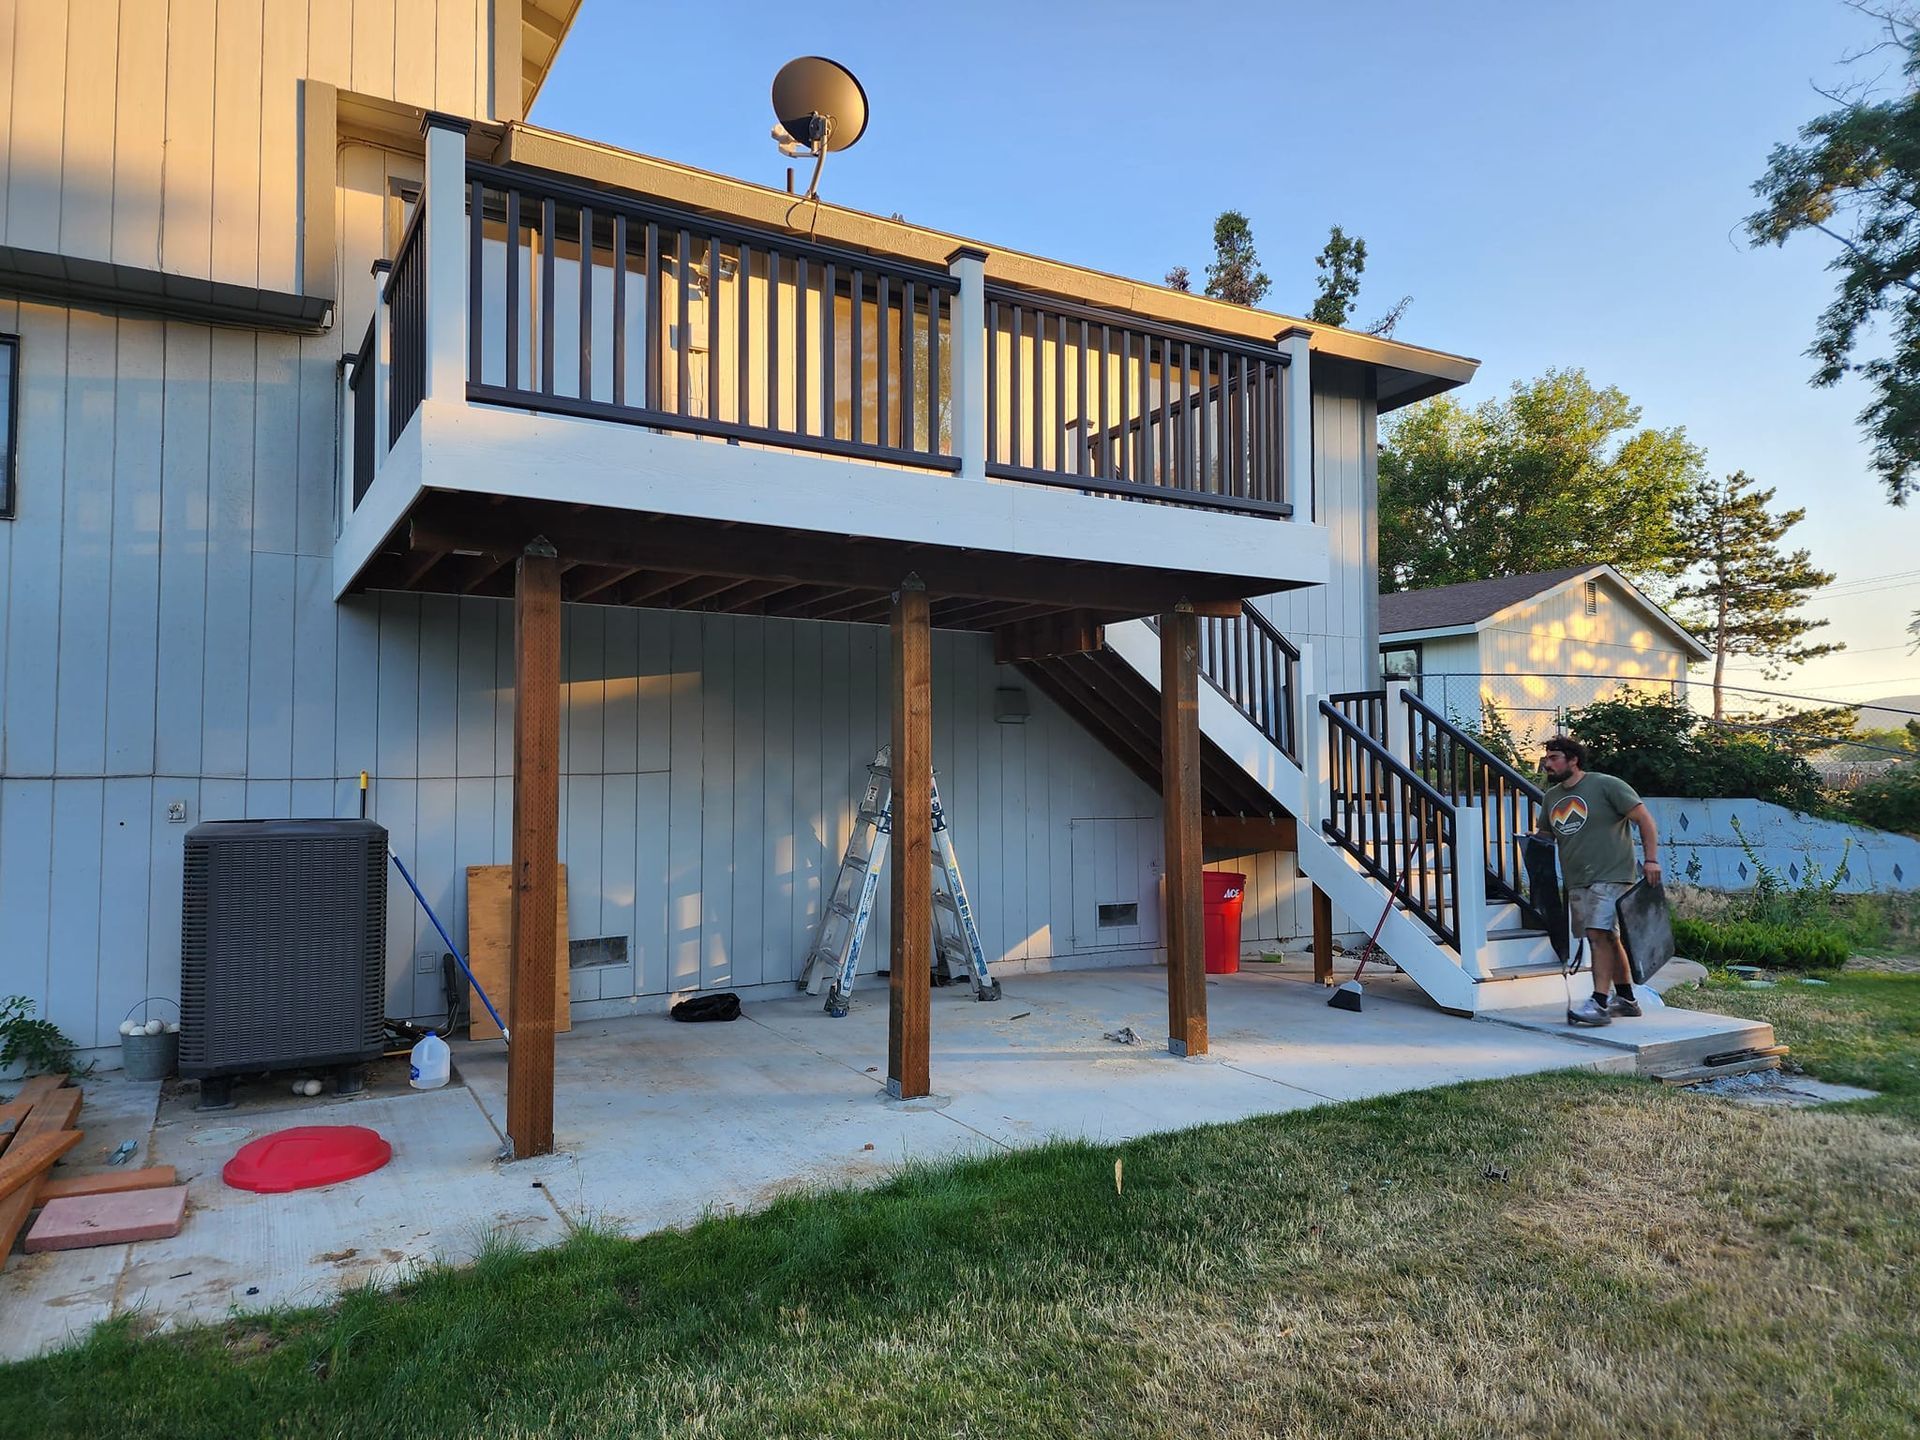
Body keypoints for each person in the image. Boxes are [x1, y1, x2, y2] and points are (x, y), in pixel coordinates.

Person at [1535, 735, 1662, 1027]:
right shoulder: (1552, 797)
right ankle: (1627, 999)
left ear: (1573, 759)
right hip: (1577, 880)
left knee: (1597, 934)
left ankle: (1599, 1003)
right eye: (1547, 759)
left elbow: (1644, 819)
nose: (1547, 764)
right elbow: (1547, 835)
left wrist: (1651, 860)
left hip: (1612, 874)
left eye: (1554, 758)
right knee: (1607, 936)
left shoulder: (1606, 785)